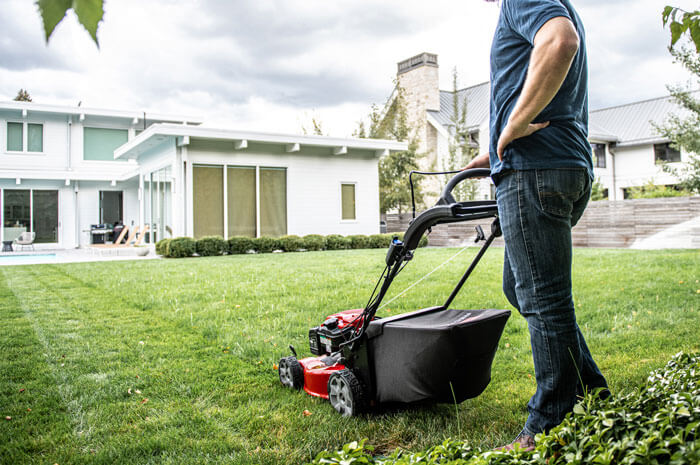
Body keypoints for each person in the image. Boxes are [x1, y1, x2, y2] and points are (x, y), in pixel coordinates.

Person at [464, 0, 609, 451]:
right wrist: (495, 144)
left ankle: (551, 422)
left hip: (536, 170)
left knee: (543, 299)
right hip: (562, 165)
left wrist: (515, 124)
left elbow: (560, 42)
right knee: (522, 288)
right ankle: (590, 390)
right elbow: (551, 75)